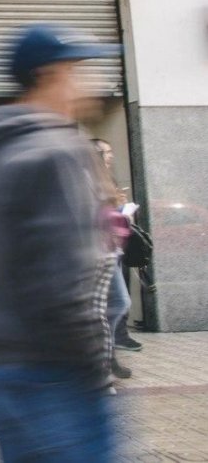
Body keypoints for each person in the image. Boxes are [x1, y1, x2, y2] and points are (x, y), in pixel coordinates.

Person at [0, 24, 121, 461]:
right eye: (76, 70)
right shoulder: (57, 151)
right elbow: (67, 276)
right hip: (55, 371)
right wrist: (93, 369)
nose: (85, 84)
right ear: (49, 75)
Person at [93, 138, 144, 353]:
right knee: (114, 301)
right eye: (107, 151)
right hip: (100, 247)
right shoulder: (89, 179)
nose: (111, 155)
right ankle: (107, 348)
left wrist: (122, 206)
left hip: (115, 245)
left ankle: (112, 344)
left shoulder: (106, 178)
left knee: (120, 300)